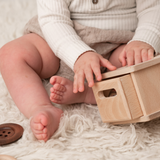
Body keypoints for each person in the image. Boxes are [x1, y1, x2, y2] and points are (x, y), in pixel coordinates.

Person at [0, 0, 159, 142]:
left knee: (145, 69)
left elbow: (153, 8)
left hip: (119, 43)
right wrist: (79, 54)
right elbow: (53, 19)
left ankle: (90, 93)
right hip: (58, 39)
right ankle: (40, 107)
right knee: (11, 55)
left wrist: (143, 40)